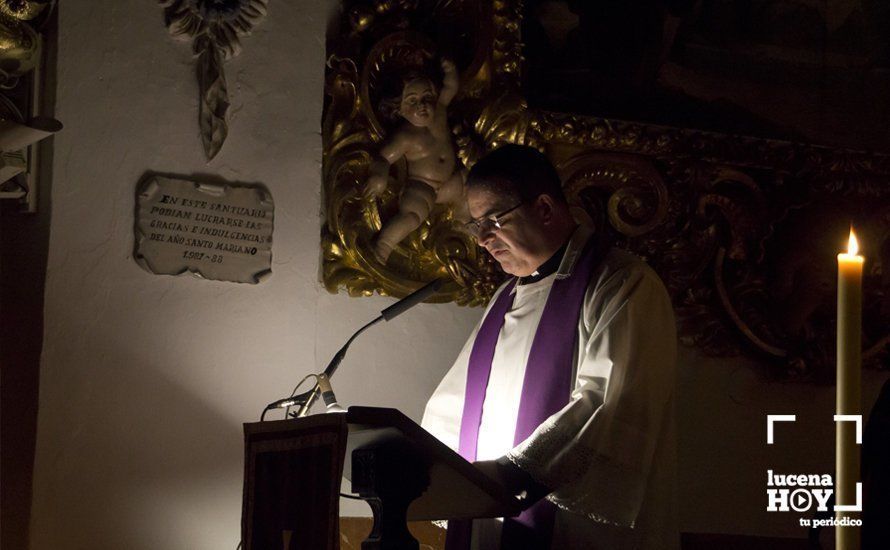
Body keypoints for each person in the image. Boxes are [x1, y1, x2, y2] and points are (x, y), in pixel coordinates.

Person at [421, 144, 678, 550]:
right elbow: (455, 407)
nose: (484, 240)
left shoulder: (622, 283)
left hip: (572, 531)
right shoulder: (506, 297)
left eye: (493, 221)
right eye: (476, 227)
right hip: (493, 521)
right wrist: (423, 469)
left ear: (543, 208)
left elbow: (608, 402)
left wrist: (513, 476)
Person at [364, 58, 467, 263]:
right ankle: (383, 247)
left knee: (469, 187)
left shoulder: (440, 112)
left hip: (451, 181)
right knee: (412, 215)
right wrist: (378, 176)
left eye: (427, 97)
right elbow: (383, 157)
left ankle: (466, 227)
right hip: (422, 187)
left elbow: (450, 88)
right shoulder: (405, 136)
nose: (422, 105)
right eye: (412, 100)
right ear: (399, 108)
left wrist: (450, 69)